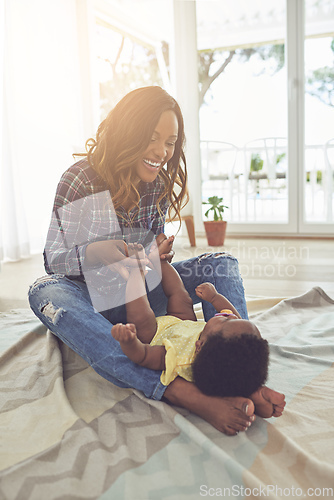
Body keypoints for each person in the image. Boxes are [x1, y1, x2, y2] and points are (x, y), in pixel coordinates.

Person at [29, 86, 268, 436]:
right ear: (128, 132)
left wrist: (157, 253)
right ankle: (179, 390)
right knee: (44, 291)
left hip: (144, 296)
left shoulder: (155, 181)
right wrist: (94, 254)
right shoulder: (80, 178)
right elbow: (54, 259)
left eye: (170, 142)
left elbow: (154, 256)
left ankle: (237, 375)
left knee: (220, 262)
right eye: (152, 138)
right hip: (97, 306)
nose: (162, 152)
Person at [112, 234, 285, 419]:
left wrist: (130, 342)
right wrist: (214, 298)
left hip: (157, 335)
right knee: (180, 296)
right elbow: (230, 312)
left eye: (226, 320)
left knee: (141, 316)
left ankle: (136, 271)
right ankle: (161, 263)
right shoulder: (228, 339)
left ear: (199, 345)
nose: (228, 315)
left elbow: (144, 356)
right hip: (184, 323)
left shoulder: (177, 359)